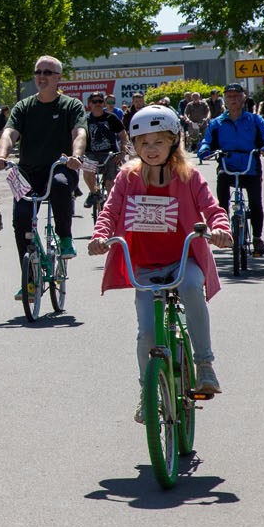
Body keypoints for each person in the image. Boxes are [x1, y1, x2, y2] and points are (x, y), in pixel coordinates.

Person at [89, 106, 232, 418]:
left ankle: (205, 365)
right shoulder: (128, 177)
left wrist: (220, 229)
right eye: (143, 143)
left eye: (158, 142)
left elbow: (212, 207)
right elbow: (110, 211)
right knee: (146, 333)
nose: (150, 150)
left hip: (183, 260)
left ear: (174, 142)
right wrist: (99, 236)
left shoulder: (190, 176)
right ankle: (147, 392)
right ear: (134, 146)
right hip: (146, 266)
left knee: (193, 286)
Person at [0, 55, 86, 300]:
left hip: (60, 166)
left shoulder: (71, 105)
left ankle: (65, 237)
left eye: (47, 72)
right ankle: (30, 281)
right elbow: (9, 133)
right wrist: (1, 156)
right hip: (29, 172)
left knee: (60, 185)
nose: (41, 76)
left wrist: (76, 156)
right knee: (21, 220)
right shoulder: (24, 107)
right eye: (38, 72)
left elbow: (79, 133)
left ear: (58, 78)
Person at [198, 82, 264, 257]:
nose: (233, 99)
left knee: (255, 204)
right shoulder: (217, 123)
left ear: (243, 98)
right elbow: (206, 142)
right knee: (222, 202)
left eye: (236, 96)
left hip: (250, 167)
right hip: (227, 168)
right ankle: (225, 232)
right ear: (224, 100)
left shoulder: (255, 120)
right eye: (229, 96)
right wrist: (204, 151)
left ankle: (257, 238)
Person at [81, 91, 125, 209]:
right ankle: (94, 193)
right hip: (91, 154)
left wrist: (122, 152)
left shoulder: (111, 118)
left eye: (100, 101)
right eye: (94, 101)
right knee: (87, 171)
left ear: (104, 103)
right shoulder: (85, 120)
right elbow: (79, 137)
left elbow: (122, 134)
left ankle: (110, 209)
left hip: (109, 154)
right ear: (89, 104)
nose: (97, 104)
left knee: (110, 183)